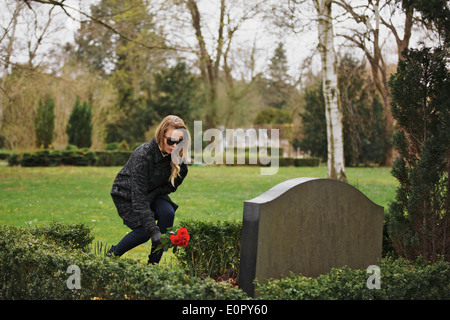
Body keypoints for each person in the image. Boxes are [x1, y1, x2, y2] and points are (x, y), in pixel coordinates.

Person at [108, 115, 190, 264]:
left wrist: (154, 194)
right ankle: (111, 256)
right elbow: (138, 197)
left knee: (167, 213)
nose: (174, 146)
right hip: (127, 194)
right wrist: (153, 228)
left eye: (179, 142)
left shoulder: (178, 159)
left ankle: (153, 265)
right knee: (144, 232)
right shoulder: (143, 155)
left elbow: (170, 186)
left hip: (152, 192)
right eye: (170, 140)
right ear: (161, 135)